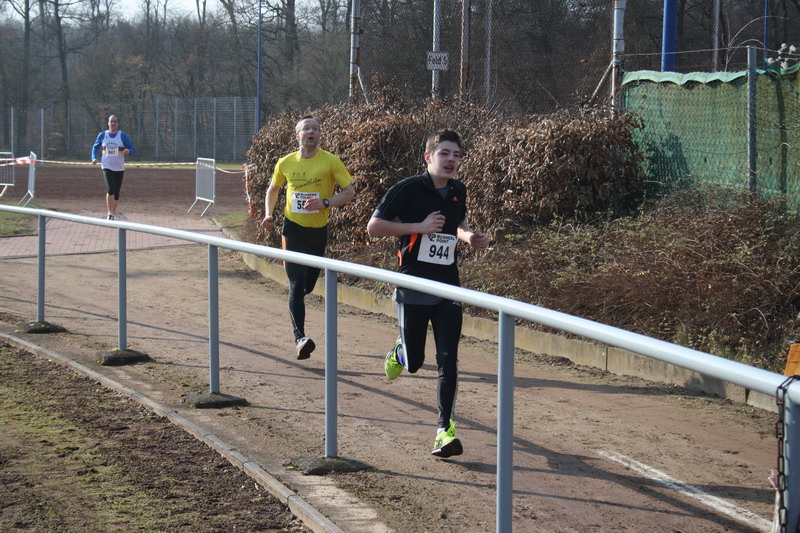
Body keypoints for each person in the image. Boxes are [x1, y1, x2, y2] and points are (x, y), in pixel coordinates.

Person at [367, 129, 490, 458]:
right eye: (444, 153)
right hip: (413, 283)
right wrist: (418, 227)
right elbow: (374, 227)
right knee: (415, 363)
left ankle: (443, 431)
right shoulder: (407, 188)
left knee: (448, 359)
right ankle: (400, 353)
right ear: (428, 157)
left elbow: (457, 223)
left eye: (457, 155)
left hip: (448, 284)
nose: (452, 160)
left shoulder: (458, 190)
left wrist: (469, 237)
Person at [261, 116, 355, 360]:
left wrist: (326, 202)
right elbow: (273, 189)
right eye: (306, 129)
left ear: (320, 135)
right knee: (296, 283)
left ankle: (295, 305)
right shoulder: (286, 162)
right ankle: (300, 338)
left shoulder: (330, 161)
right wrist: (269, 214)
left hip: (318, 232)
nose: (311, 132)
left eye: (315, 129)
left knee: (307, 286)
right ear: (298, 135)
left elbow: (349, 192)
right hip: (292, 230)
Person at [91, 115, 135, 220]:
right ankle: (109, 213)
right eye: (111, 121)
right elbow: (95, 147)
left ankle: (113, 213)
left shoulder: (122, 136)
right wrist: (93, 157)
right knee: (111, 188)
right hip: (107, 166)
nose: (113, 123)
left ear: (117, 123)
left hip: (119, 167)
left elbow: (132, 149)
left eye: (115, 121)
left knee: (116, 193)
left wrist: (128, 151)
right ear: (108, 123)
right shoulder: (103, 135)